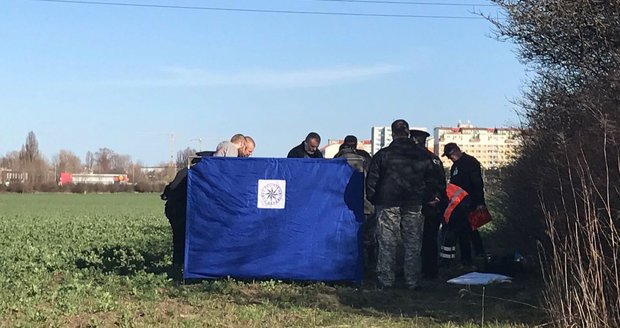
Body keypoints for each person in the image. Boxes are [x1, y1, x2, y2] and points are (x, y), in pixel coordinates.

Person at [366, 120, 439, 290]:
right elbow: (432, 178)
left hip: (387, 201)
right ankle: (412, 280)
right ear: (408, 133)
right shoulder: (422, 155)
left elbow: (372, 180)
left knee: (387, 241)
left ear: (392, 133)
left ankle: (386, 280)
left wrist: (374, 199)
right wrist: (428, 197)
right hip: (414, 201)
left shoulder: (382, 154)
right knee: (413, 242)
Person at [160, 151, 213, 276]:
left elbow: (171, 188)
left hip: (177, 209)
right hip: (179, 209)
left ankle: (179, 266)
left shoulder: (185, 171)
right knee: (182, 238)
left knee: (179, 239)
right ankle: (181, 267)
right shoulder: (194, 173)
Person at [440, 142, 486, 267]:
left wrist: (479, 202)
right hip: (460, 204)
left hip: (470, 202)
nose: (449, 159)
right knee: (467, 231)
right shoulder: (456, 166)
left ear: (454, 152)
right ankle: (474, 256)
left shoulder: (470, 163)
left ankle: (473, 257)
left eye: (449, 156)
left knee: (469, 230)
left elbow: (477, 183)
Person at [334, 135, 375, 276]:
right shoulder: (364, 159)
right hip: (365, 205)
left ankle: (346, 267)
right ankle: (369, 266)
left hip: (341, 207)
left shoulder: (335, 160)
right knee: (367, 238)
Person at [410, 129, 447, 279]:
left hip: (415, 202)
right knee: (430, 238)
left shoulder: (411, 158)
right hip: (433, 204)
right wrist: (437, 197)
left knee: (412, 237)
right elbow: (441, 182)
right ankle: (430, 270)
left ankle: (412, 270)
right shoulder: (434, 158)